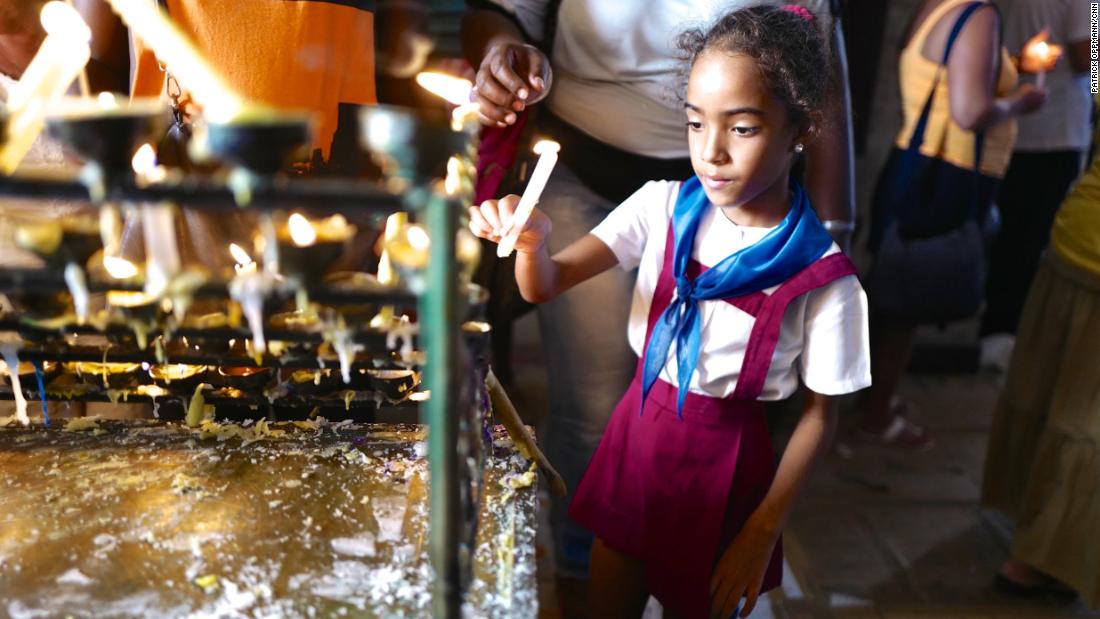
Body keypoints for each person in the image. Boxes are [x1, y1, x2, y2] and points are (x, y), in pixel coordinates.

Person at [469, 6, 870, 617]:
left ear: (801, 129)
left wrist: (762, 530)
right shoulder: (660, 207)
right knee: (609, 589)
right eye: (694, 122)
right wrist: (532, 241)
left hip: (727, 468)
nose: (710, 153)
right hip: (641, 436)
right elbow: (544, 285)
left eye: (741, 128)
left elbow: (821, 415)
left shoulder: (825, 278)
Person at [856, 0, 1046, 450]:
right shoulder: (979, 15)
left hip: (916, 164)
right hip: (946, 171)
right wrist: (1022, 99)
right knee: (909, 297)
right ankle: (876, 414)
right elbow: (969, 112)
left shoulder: (938, 5)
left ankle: (873, 401)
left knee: (898, 289)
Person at [980, 134, 1100, 608]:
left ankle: (1031, 536)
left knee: (1051, 393)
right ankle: (1039, 559)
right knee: (1086, 420)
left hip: (1072, 238)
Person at [979, 0, 1094, 372]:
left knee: (1008, 231)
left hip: (1011, 125)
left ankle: (993, 332)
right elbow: (1087, 63)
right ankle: (1004, 337)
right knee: (1029, 238)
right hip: (1054, 131)